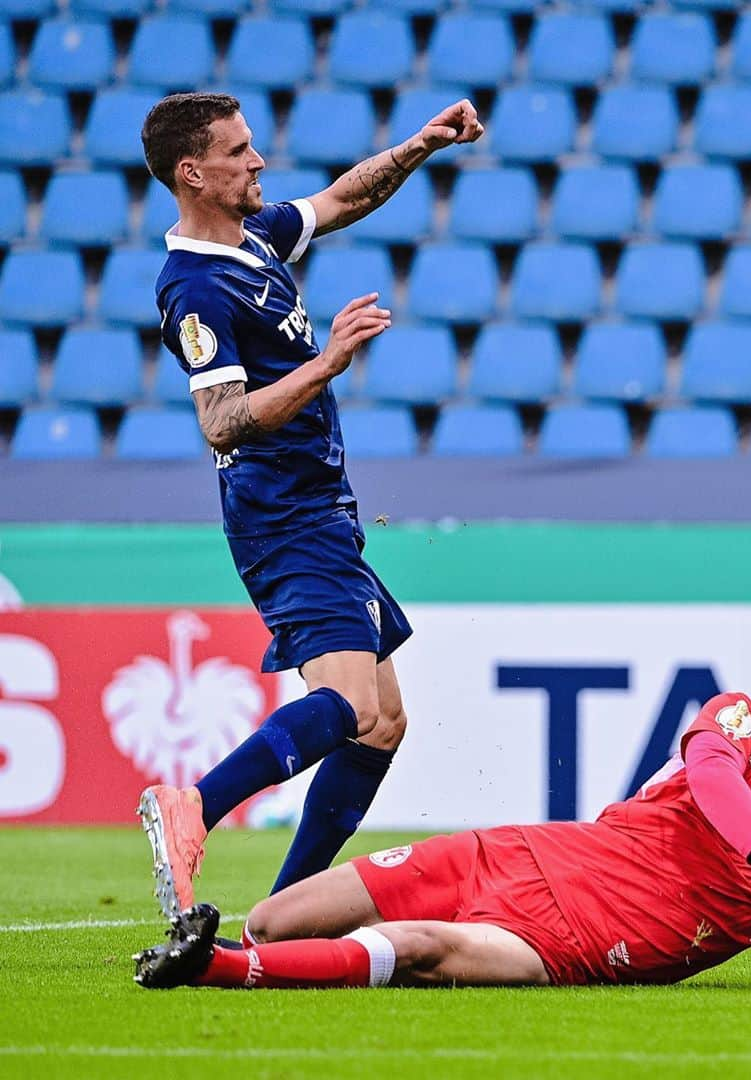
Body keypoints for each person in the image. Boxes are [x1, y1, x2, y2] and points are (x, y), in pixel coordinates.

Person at [133, 642, 751, 995]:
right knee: (274, 917)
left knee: (432, 948)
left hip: (589, 941)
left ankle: (210, 970)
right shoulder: (742, 722)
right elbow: (710, 774)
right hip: (522, 852)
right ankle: (243, 947)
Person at [136, 91, 484, 918]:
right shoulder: (195, 291)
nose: (258, 162)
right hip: (282, 516)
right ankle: (197, 806)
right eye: (239, 151)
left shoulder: (253, 241)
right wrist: (327, 363)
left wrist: (421, 145)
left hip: (323, 509)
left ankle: (284, 909)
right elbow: (222, 421)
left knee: (383, 722)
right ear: (194, 172)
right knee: (356, 707)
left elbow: (341, 199)